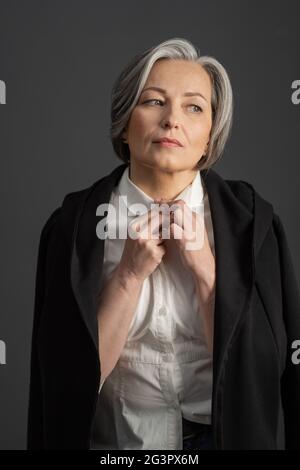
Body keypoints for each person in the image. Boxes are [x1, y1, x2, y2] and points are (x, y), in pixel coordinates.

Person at [27, 37, 300, 450]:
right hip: (116, 446)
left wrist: (207, 270)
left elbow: (265, 372)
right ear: (123, 122)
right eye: (154, 101)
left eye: (194, 107)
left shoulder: (254, 226)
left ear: (210, 136)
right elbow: (62, 383)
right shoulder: (72, 228)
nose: (173, 119)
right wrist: (128, 276)